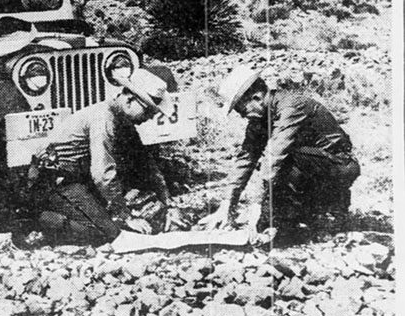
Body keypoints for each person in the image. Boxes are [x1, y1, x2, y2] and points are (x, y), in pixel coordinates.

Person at [200, 65, 360, 241]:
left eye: (242, 110)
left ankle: (331, 209)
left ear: (257, 98)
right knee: (272, 216)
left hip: (339, 165)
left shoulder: (291, 106)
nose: (243, 117)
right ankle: (302, 216)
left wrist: (255, 205)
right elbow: (245, 159)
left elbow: (275, 156)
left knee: (278, 165)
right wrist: (226, 204)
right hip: (309, 166)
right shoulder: (260, 119)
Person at [27, 67, 185, 245]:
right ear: (129, 100)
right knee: (106, 235)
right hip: (54, 181)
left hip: (79, 179)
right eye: (147, 111)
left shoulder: (123, 120)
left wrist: (170, 204)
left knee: (124, 221)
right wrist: (125, 216)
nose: (149, 118)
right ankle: (37, 219)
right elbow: (102, 174)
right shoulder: (104, 118)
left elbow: (147, 164)